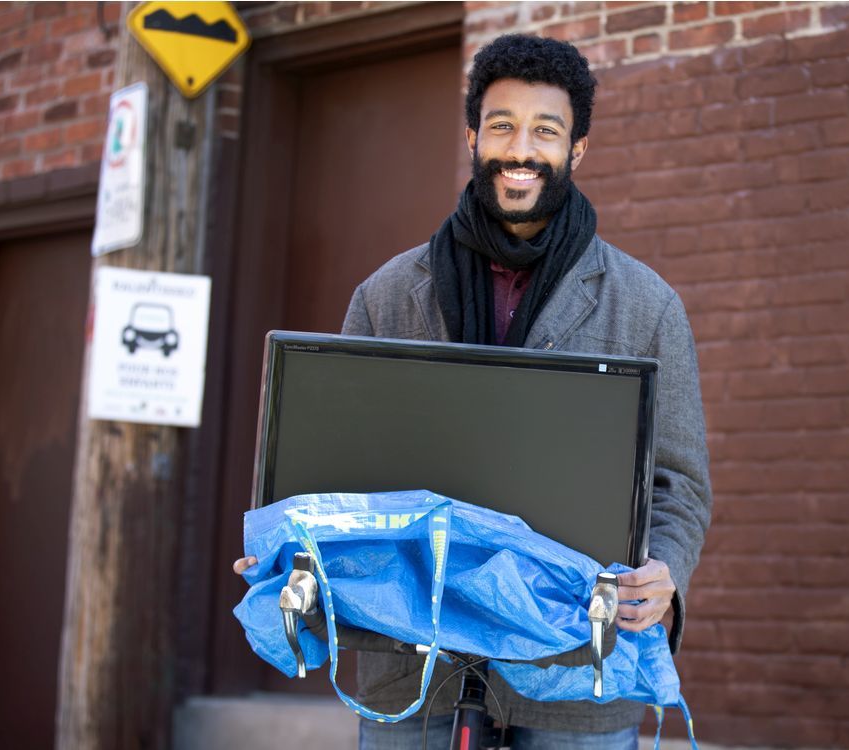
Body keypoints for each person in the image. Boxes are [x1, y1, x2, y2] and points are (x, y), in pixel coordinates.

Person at [235, 33, 711, 749]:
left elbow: (680, 483)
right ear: (472, 135)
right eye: (502, 125)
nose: (521, 149)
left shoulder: (646, 307)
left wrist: (665, 571)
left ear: (577, 148)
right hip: (414, 674)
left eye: (545, 130)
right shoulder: (388, 295)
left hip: (574, 674)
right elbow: (338, 471)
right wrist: (290, 542)